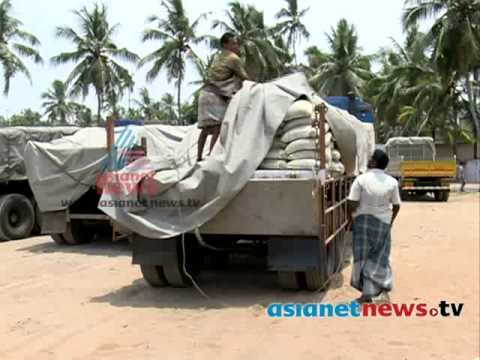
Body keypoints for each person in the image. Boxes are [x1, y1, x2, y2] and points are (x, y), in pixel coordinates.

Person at [347, 149, 401, 303]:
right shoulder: (392, 182)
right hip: (383, 223)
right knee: (380, 257)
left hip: (362, 223)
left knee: (362, 257)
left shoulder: (361, 180)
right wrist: (390, 222)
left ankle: (366, 294)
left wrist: (350, 219)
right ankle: (382, 292)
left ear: (375, 162)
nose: (369, 160)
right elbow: (396, 205)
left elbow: (352, 202)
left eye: (371, 158)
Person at [196, 32, 250, 162]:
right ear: (226, 45)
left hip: (205, 93)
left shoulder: (218, 57)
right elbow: (244, 77)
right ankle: (211, 156)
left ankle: (199, 157)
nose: (237, 46)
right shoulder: (233, 59)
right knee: (217, 127)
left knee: (205, 129)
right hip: (215, 95)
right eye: (234, 43)